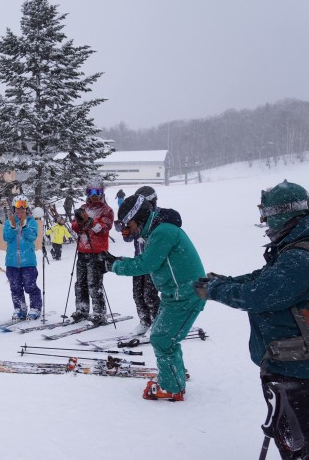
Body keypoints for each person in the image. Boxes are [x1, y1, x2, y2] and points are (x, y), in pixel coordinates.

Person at [195, 180, 309, 458]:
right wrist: (225, 282)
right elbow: (265, 278)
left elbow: (258, 295)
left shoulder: (299, 256)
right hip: (292, 365)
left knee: (298, 446)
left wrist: (215, 290)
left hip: (297, 371)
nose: (266, 225)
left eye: (267, 217)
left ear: (282, 214)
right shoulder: (294, 248)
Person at [105, 193, 205, 401]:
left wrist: (113, 265)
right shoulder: (155, 232)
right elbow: (147, 260)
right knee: (164, 338)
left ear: (138, 218)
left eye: (128, 224)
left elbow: (145, 264)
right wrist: (118, 260)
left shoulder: (163, 232)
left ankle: (172, 387)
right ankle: (174, 378)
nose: (127, 230)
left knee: (162, 338)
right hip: (175, 294)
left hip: (185, 294)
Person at [123, 186, 170, 336]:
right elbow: (128, 237)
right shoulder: (137, 217)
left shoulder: (158, 216)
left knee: (150, 295)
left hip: (152, 263)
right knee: (137, 293)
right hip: (139, 261)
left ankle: (157, 323)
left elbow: (174, 220)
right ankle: (144, 321)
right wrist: (127, 232)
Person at [69, 177, 114, 326]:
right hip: (83, 250)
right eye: (91, 192)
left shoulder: (106, 210)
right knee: (80, 283)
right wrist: (78, 221)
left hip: (97, 252)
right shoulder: (84, 208)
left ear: (102, 192)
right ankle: (82, 310)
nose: (94, 195)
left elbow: (103, 229)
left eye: (97, 191)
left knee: (94, 283)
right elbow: (75, 227)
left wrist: (90, 221)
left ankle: (99, 313)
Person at [3, 195, 42, 320]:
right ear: (14, 209)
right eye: (17, 209)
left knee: (30, 286)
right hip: (12, 262)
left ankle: (35, 308)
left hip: (28, 262)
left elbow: (32, 237)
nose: (20, 211)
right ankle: (20, 308)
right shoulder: (8, 222)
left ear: (26, 209)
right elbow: (6, 238)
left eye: (23, 208)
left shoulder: (32, 222)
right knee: (15, 287)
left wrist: (24, 227)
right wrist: (13, 228)